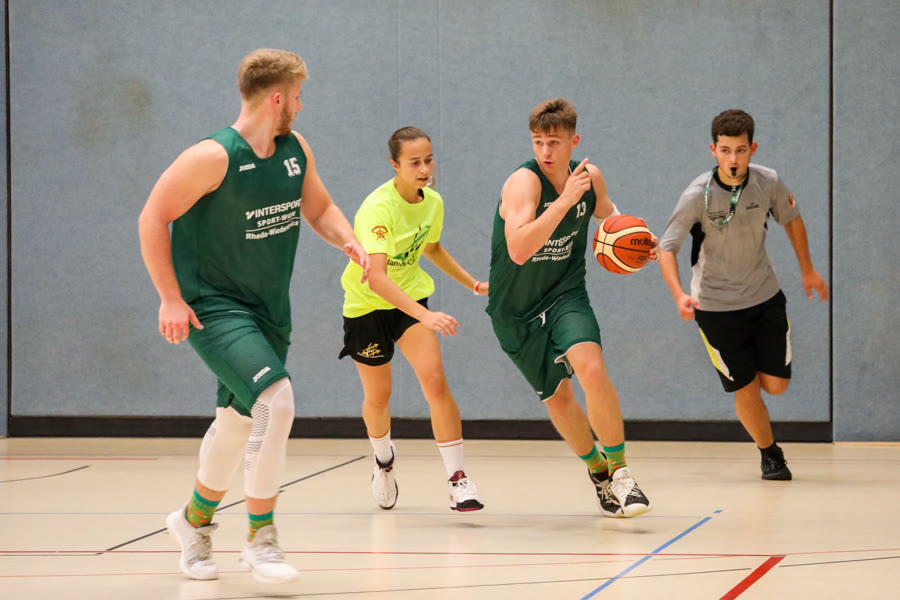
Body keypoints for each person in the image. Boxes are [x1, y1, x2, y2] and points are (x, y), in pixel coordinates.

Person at [138, 48, 369, 583]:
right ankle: (261, 538)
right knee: (277, 400)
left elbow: (319, 208)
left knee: (238, 423)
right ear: (277, 98)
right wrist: (170, 297)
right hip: (213, 307)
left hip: (269, 309)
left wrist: (348, 239)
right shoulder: (212, 156)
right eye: (299, 96)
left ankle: (192, 523)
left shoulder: (295, 150)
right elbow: (152, 216)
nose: (302, 106)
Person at [486, 98, 653, 518]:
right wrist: (563, 202)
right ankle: (598, 472)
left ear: (573, 141)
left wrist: (637, 243)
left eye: (555, 142)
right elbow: (519, 249)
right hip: (515, 310)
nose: (546, 151)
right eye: (538, 142)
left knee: (591, 369)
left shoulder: (589, 178)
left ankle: (622, 474)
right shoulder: (523, 184)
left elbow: (611, 220)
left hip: (565, 294)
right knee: (559, 399)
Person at [658, 109, 828, 481]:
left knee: (776, 386)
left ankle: (764, 422)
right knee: (746, 388)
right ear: (713, 151)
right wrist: (678, 294)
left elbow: (792, 219)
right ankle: (771, 455)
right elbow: (665, 248)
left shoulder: (768, 182)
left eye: (740, 150)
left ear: (752, 148)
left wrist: (808, 270)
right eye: (725, 150)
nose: (733, 159)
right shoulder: (696, 195)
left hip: (765, 296)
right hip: (715, 307)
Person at [339, 126, 486, 513]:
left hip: (411, 300)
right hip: (367, 307)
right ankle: (383, 461)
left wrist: (472, 284)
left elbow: (432, 248)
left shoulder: (432, 202)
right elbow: (376, 278)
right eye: (414, 163)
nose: (424, 169)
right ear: (395, 165)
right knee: (378, 398)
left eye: (428, 160)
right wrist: (427, 315)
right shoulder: (378, 209)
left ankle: (458, 481)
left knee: (435, 382)